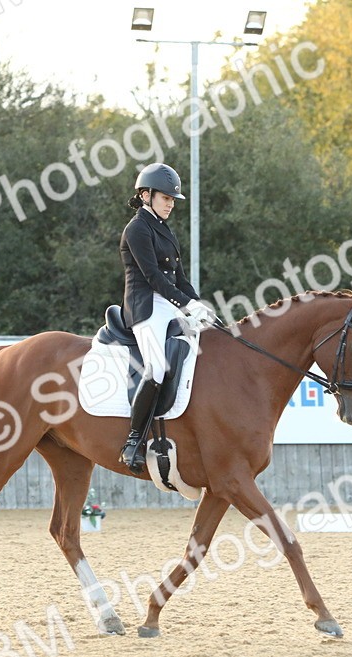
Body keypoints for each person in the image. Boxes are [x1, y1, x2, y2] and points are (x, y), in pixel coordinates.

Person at [117, 162, 215, 474]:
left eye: (173, 200)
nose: (171, 204)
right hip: (145, 307)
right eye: (166, 198)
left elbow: (180, 278)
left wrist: (200, 306)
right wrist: (185, 303)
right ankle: (134, 440)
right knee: (157, 367)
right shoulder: (137, 229)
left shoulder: (165, 229)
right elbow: (154, 277)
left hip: (169, 303)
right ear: (146, 195)